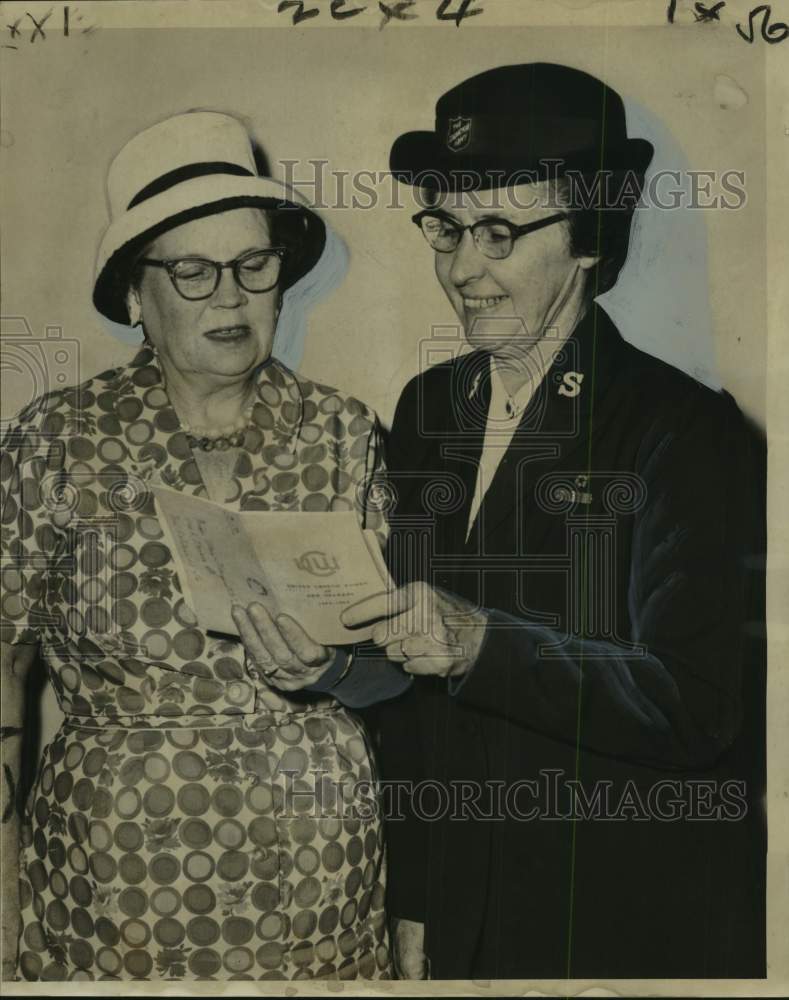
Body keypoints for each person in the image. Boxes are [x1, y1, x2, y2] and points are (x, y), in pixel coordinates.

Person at [342, 64, 766, 979]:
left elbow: (697, 704)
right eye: (446, 227)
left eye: (500, 231)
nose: (462, 269)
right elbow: (411, 698)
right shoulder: (427, 408)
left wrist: (482, 645)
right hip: (462, 911)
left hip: (615, 915)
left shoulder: (683, 430)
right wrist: (414, 896)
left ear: (589, 237)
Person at [0, 111, 402, 982]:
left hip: (317, 879)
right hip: (114, 885)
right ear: (133, 296)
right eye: (191, 270)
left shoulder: (342, 433)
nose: (230, 296)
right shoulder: (55, 440)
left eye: (254, 265)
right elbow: (4, 660)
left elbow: (393, 672)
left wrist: (333, 672)